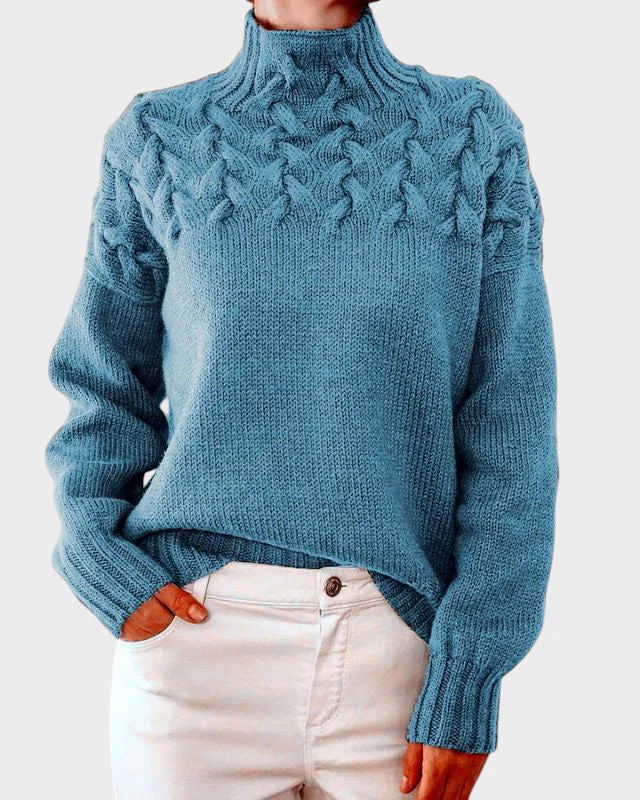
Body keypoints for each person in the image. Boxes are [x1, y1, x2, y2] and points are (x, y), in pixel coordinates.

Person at [44, 1, 558, 798]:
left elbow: (511, 424)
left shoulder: (469, 133)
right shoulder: (157, 137)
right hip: (192, 648)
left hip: (398, 646)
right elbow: (102, 383)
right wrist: (94, 553)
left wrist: (472, 672)